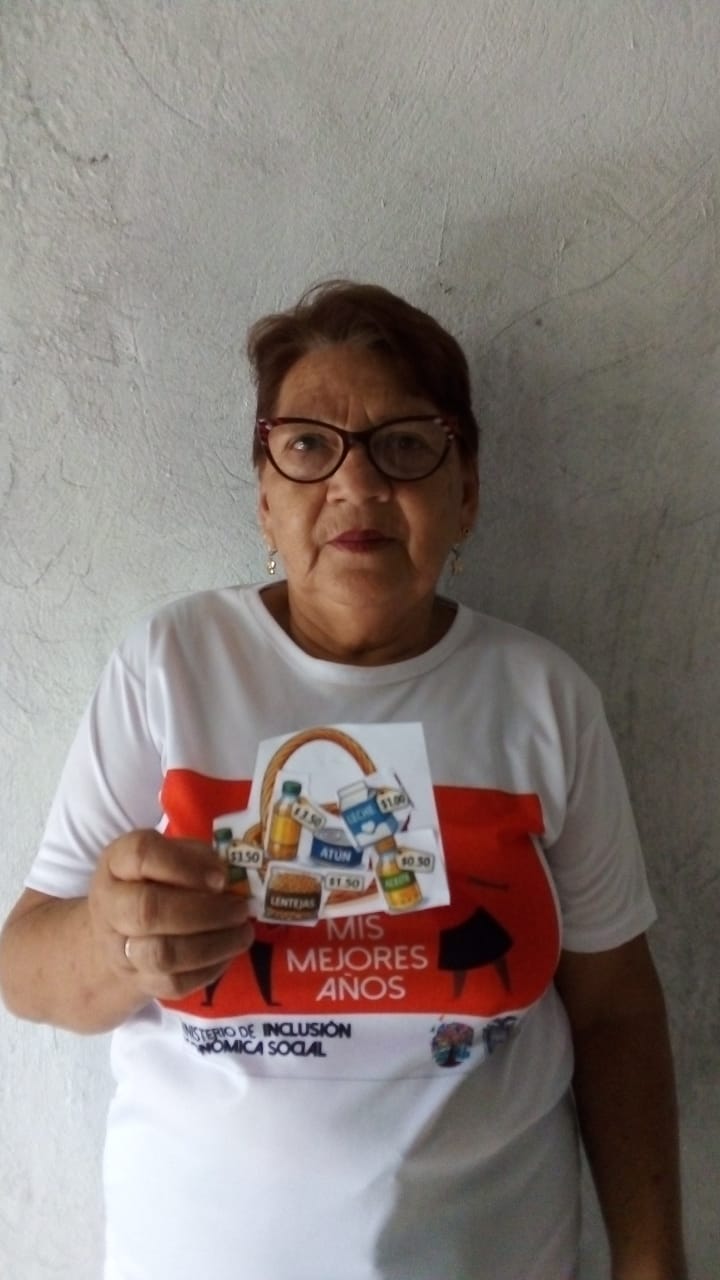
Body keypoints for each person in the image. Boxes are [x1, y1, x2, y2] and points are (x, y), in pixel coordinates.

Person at [0, 281, 686, 1280]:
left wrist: (654, 1263)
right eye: (309, 446)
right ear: (265, 498)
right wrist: (115, 938)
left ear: (467, 493)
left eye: (405, 445)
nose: (355, 483)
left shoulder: (543, 697)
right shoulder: (171, 665)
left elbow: (615, 1009)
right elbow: (25, 972)